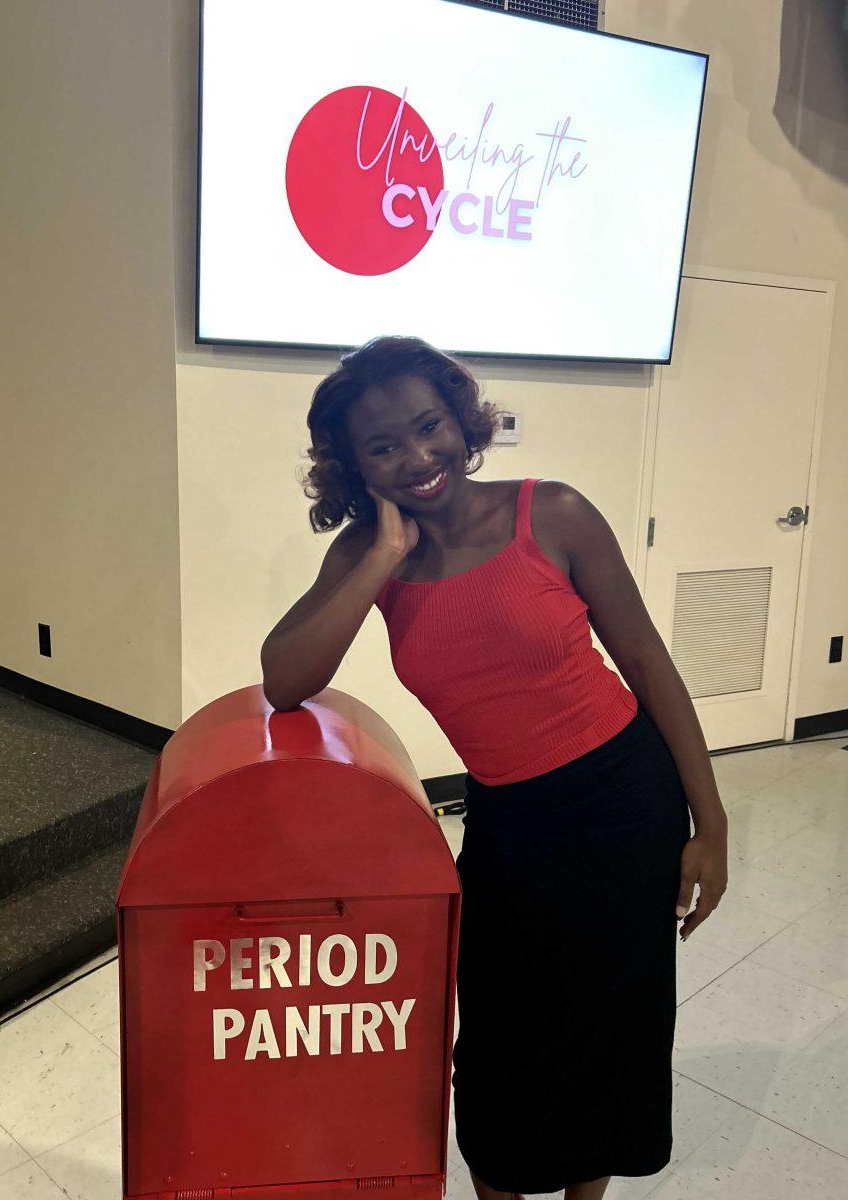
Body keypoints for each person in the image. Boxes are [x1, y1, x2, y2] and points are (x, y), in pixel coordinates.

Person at [261, 334, 729, 1200]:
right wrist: (381, 557)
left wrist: (713, 824)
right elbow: (285, 678)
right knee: (502, 1037)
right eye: (384, 446)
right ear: (353, 464)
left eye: (429, 426)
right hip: (510, 823)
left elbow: (649, 664)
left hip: (626, 805)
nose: (418, 456)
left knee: (606, 1024)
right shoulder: (370, 556)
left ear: (461, 419)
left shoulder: (551, 513)